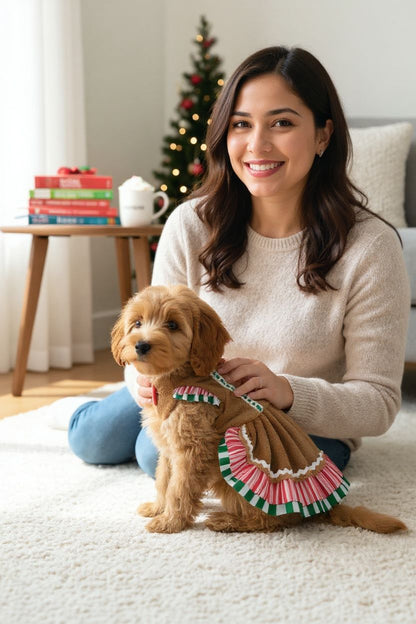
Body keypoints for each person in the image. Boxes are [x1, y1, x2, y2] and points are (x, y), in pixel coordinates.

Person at [68, 46, 410, 479]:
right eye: (241, 125)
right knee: (93, 440)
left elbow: (377, 402)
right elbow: (151, 333)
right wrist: (142, 380)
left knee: (161, 458)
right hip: (186, 387)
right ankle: (85, 412)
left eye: (281, 123)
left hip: (293, 417)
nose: (257, 145)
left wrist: (287, 391)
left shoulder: (371, 247)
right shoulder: (191, 223)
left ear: (324, 135)